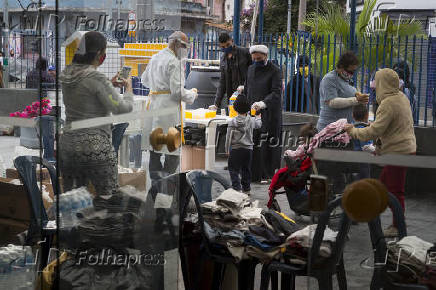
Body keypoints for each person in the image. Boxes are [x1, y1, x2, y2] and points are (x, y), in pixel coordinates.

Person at [59, 31, 133, 195]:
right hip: (94, 147)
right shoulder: (96, 78)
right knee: (108, 200)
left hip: (68, 146)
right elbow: (121, 109)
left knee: (74, 201)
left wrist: (108, 83)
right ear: (100, 54)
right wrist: (128, 90)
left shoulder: (67, 73)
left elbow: (87, 88)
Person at [344, 68, 417, 237]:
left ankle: (398, 226)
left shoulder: (388, 103)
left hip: (398, 152)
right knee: (383, 186)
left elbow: (374, 131)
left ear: (384, 83)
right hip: (406, 148)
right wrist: (378, 147)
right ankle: (374, 216)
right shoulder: (401, 98)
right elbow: (389, 128)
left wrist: (352, 131)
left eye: (377, 82)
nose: (375, 86)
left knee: (395, 191)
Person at [141, 31, 198, 175]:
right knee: (172, 150)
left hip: (154, 105)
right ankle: (167, 184)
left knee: (155, 148)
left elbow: (144, 80)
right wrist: (192, 94)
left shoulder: (155, 57)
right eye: (185, 46)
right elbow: (177, 91)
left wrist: (158, 86)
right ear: (177, 43)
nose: (186, 49)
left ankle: (154, 188)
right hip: (168, 109)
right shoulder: (174, 62)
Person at [243, 44, 282, 183]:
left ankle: (266, 174)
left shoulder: (275, 70)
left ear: (265, 56)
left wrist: (263, 103)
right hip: (253, 111)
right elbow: (248, 87)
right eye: (254, 59)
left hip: (269, 113)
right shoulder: (251, 69)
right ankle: (252, 174)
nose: (256, 61)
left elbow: (276, 92)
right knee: (252, 142)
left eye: (259, 58)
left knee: (266, 143)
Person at [317, 51, 369, 131]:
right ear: (341, 66)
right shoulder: (330, 79)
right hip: (329, 128)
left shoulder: (347, 80)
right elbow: (332, 102)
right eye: (349, 71)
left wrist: (359, 97)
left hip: (344, 128)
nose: (351, 74)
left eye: (353, 72)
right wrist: (356, 100)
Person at [225, 94, 262, 194]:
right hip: (248, 150)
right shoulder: (251, 120)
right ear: (248, 109)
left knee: (233, 169)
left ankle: (236, 188)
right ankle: (247, 189)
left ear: (235, 108)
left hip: (236, 149)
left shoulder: (232, 121)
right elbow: (258, 125)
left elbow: (228, 137)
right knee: (246, 169)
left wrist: (227, 150)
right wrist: (258, 117)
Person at [209, 33, 252, 111]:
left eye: (228, 45)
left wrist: (245, 86)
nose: (226, 48)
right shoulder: (223, 59)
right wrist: (216, 104)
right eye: (223, 46)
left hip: (247, 95)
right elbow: (222, 83)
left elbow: (254, 73)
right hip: (232, 97)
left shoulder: (245, 53)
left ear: (232, 41)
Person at [351, 104, 375, 180]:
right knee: (365, 180)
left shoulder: (352, 127)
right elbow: (365, 147)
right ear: (367, 116)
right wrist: (377, 151)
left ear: (353, 116)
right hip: (363, 160)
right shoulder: (363, 130)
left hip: (354, 158)